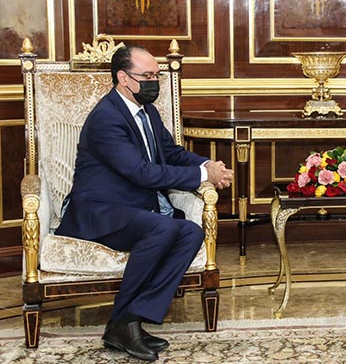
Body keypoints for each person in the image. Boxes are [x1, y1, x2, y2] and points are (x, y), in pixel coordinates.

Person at [55, 45, 234, 361]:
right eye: (147, 76)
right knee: (163, 228)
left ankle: (127, 321)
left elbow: (171, 152)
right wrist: (202, 175)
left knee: (191, 232)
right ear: (123, 78)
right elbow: (142, 172)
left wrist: (207, 165)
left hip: (132, 208)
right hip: (99, 210)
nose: (154, 82)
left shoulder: (147, 111)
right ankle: (124, 324)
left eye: (156, 76)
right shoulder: (106, 118)